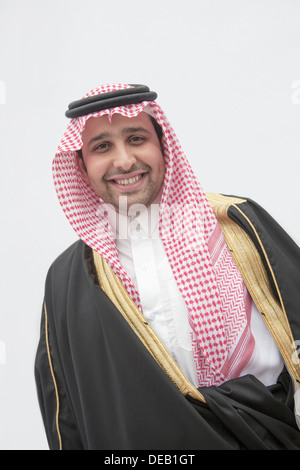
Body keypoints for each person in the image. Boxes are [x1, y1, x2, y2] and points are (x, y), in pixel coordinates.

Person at [35, 83, 300, 450]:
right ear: (81, 164)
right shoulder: (68, 278)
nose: (124, 160)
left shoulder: (236, 226)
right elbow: (64, 410)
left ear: (163, 146)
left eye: (137, 138)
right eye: (102, 147)